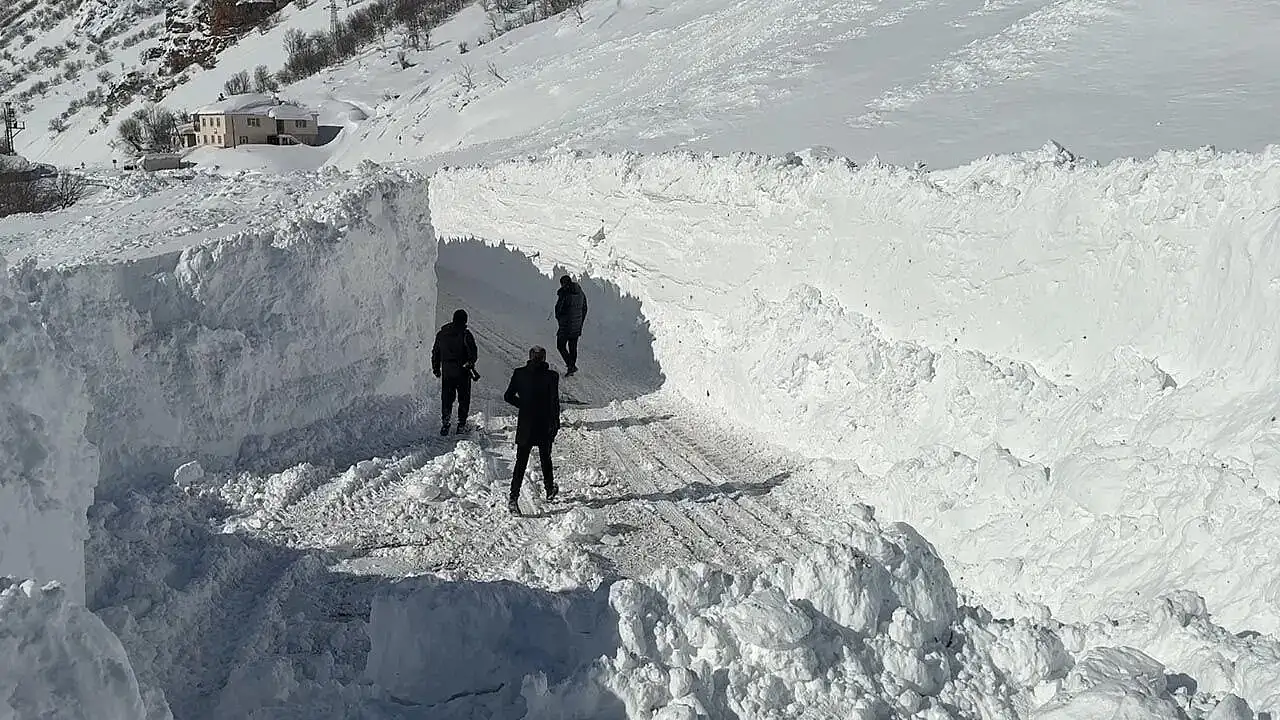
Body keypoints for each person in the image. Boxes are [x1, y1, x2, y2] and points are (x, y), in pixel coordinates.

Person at [503, 346, 561, 515]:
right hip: (545, 423)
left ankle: (513, 499)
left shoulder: (519, 373)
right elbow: (554, 402)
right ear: (543, 358)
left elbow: (508, 396)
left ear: (529, 357)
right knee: (546, 458)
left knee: (520, 463)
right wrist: (555, 423)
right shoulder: (552, 376)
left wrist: (524, 406)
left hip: (526, 424)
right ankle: (549, 489)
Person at [431, 308, 478, 435]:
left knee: (447, 398)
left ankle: (445, 423)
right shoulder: (466, 334)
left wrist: (436, 368)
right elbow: (473, 352)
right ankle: (461, 424)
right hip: (463, 371)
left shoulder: (442, 334)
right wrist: (470, 362)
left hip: (447, 371)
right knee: (464, 398)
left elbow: (435, 352)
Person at [554, 275, 588, 376]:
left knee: (560, 345)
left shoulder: (564, 294)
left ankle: (571, 366)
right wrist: (580, 321)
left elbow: (559, 309)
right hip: (576, 326)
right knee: (573, 347)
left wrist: (560, 319)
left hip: (566, 325)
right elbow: (585, 308)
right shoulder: (581, 293)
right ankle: (571, 366)